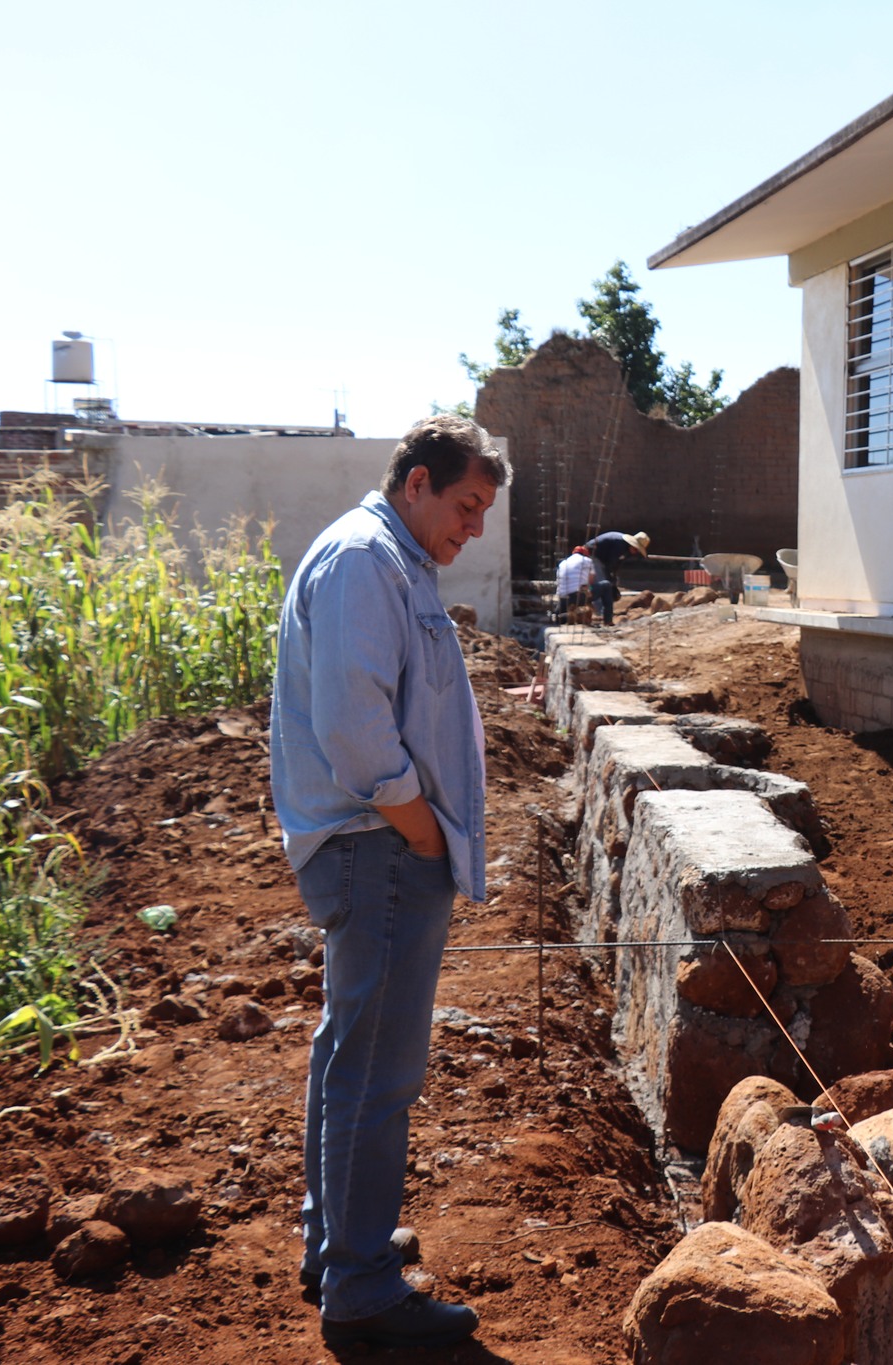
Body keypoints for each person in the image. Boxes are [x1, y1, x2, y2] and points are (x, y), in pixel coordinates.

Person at [270, 414, 510, 1351]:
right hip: (379, 847)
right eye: (464, 505)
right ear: (415, 482)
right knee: (379, 1072)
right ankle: (363, 1288)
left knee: (350, 1055)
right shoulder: (368, 562)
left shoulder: (391, 560)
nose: (473, 528)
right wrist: (420, 834)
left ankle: (338, 1241)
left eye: (482, 509)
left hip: (379, 848)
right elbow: (356, 727)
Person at [583, 529, 649, 625]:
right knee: (602, 584)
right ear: (632, 544)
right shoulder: (619, 545)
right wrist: (610, 580)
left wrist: (613, 579)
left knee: (608, 583)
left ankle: (599, 608)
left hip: (601, 559)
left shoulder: (626, 549)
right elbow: (609, 564)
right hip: (591, 554)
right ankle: (600, 613)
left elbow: (616, 565)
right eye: (636, 549)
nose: (635, 553)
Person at [553, 543, 595, 622]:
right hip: (579, 595)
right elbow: (591, 580)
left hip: (563, 597)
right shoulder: (587, 560)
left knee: (560, 617)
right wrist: (590, 589)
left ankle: (569, 615)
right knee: (605, 585)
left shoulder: (563, 563)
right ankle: (608, 620)